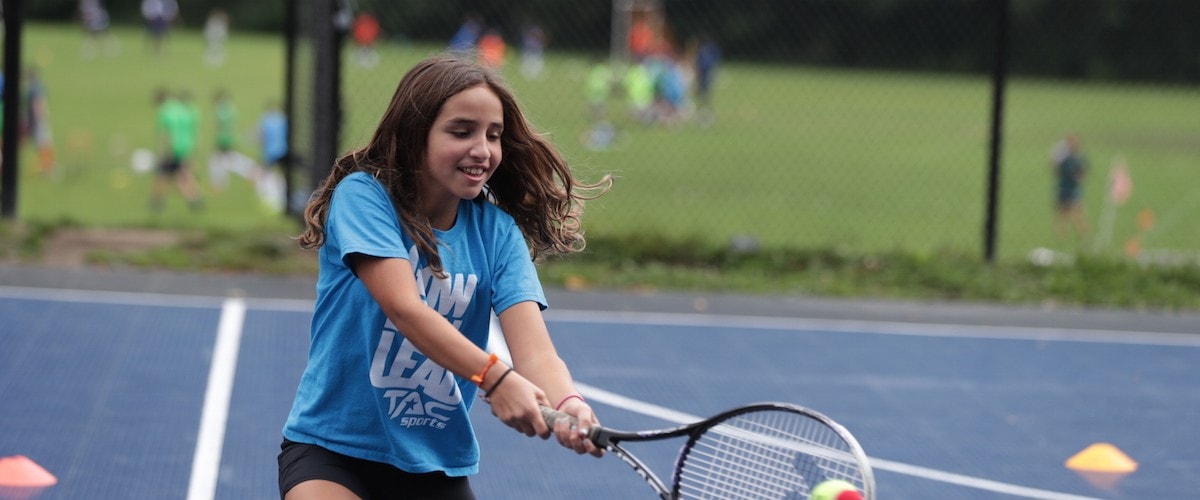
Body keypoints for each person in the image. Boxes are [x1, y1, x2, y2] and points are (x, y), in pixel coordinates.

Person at [279, 55, 611, 499]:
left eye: (494, 135)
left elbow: (535, 353)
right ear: (416, 135)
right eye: (462, 132)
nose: (483, 149)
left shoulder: (496, 233)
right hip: (332, 452)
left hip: (434, 465)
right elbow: (404, 308)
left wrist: (570, 403)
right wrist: (495, 378)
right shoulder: (363, 198)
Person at [150, 88, 203, 212]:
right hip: (185, 146)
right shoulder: (181, 109)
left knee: (162, 174)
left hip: (172, 148)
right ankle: (195, 199)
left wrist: (162, 151)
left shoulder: (164, 112)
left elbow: (166, 133)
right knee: (182, 175)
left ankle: (157, 202)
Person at [1050, 133, 1088, 240]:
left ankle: (1083, 235)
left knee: (1077, 214)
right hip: (1063, 188)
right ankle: (1061, 236)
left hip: (1073, 190)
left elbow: (1082, 173)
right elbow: (1056, 170)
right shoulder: (1064, 159)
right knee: (1062, 214)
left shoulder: (1078, 159)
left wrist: (1078, 176)